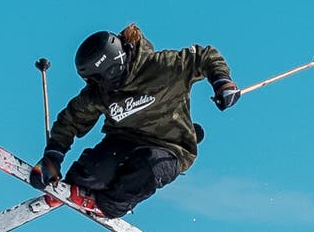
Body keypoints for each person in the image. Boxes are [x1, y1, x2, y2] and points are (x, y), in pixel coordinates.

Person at [36, 25, 237, 216]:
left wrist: (222, 82)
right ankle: (79, 187)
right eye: (93, 80)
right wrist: (53, 156)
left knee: (146, 167)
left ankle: (108, 205)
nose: (100, 84)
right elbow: (71, 119)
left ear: (115, 65)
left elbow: (204, 56)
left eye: (101, 77)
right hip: (124, 139)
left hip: (169, 146)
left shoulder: (162, 67)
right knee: (91, 174)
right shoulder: (101, 92)